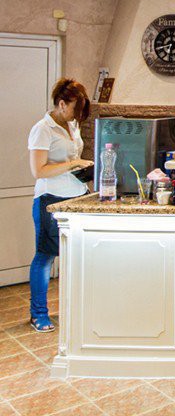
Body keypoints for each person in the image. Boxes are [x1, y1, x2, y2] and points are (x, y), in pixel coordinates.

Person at [27, 78, 93, 332]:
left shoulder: (71, 125)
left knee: (77, 254)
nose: (77, 115)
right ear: (62, 103)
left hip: (76, 196)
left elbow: (71, 156)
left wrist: (82, 167)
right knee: (45, 256)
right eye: (75, 108)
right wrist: (74, 164)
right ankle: (39, 314)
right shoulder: (42, 129)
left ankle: (75, 308)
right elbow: (38, 170)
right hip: (50, 199)